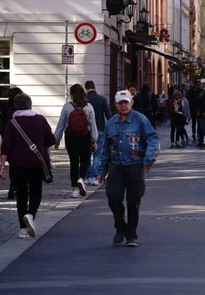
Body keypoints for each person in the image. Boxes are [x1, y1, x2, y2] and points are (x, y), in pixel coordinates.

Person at [98, 90, 160, 247]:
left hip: (134, 165)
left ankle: (131, 234)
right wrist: (101, 170)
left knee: (133, 201)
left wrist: (147, 160)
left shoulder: (140, 120)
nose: (123, 105)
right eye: (120, 103)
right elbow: (105, 148)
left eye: (126, 102)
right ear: (115, 104)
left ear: (131, 103)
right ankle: (120, 227)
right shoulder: (111, 123)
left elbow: (153, 140)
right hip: (116, 165)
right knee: (113, 197)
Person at [0, 93, 56, 238]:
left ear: (16, 106)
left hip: (17, 165)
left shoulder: (12, 123)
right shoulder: (40, 119)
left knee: (22, 195)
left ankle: (23, 229)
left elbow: (5, 147)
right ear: (30, 104)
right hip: (37, 163)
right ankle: (30, 215)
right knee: (36, 192)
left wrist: (2, 168)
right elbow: (51, 140)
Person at [54, 84, 99, 198]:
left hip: (70, 137)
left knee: (74, 162)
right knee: (84, 161)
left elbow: (61, 124)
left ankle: (74, 190)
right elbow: (93, 125)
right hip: (85, 137)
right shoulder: (89, 107)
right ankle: (81, 179)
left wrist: (57, 139)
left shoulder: (67, 107)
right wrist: (94, 140)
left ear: (72, 94)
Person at [0, 86, 23, 200]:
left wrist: (6, 137)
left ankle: (13, 187)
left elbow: (0, 125)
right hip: (21, 141)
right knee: (21, 165)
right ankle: (17, 187)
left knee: (13, 166)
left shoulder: (5, 108)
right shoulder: (22, 109)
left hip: (9, 142)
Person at [85, 80, 112, 186]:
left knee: (87, 154)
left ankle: (88, 176)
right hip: (100, 129)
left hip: (86, 130)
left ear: (86, 89)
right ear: (95, 88)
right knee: (97, 154)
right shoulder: (102, 99)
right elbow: (108, 115)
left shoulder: (84, 100)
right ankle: (96, 176)